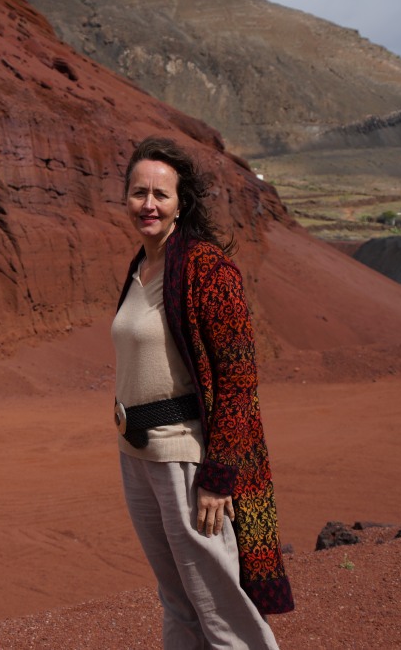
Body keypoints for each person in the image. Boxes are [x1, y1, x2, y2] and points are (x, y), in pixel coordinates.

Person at [111, 136, 294, 649]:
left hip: (186, 460)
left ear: (180, 203)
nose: (148, 204)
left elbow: (238, 380)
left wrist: (218, 477)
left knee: (220, 604)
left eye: (160, 195)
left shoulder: (207, 270)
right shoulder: (139, 267)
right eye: (138, 192)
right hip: (136, 453)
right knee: (177, 599)